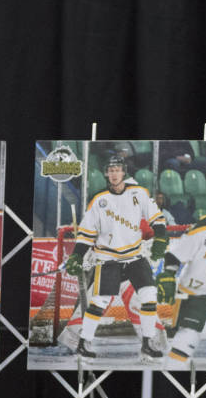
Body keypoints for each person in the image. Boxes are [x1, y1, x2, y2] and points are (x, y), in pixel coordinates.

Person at [65, 152, 168, 360]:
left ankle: (147, 343)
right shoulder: (99, 201)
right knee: (100, 302)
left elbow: (158, 219)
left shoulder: (138, 194)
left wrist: (160, 239)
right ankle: (84, 343)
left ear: (124, 172)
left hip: (135, 257)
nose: (114, 174)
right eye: (110, 171)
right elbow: (86, 235)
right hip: (109, 260)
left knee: (149, 297)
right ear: (106, 174)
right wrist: (76, 256)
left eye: (117, 170)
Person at [159, 205, 206, 366]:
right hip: (197, 294)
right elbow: (175, 255)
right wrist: (168, 274)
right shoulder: (205, 227)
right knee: (186, 338)